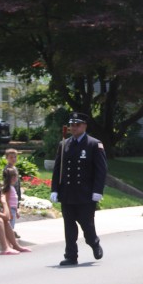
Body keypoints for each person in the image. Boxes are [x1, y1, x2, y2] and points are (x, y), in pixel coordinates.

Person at [51, 112, 107, 266]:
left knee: (86, 224)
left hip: (85, 193)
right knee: (69, 225)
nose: (74, 127)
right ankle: (71, 255)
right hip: (67, 192)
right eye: (72, 125)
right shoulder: (64, 144)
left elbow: (101, 170)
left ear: (84, 126)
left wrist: (98, 191)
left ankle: (93, 242)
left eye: (77, 124)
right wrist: (54, 189)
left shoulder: (94, 144)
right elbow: (58, 169)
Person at [3, 148, 21, 234]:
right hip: (10, 196)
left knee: (13, 217)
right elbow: (6, 185)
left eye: (15, 157)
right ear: (6, 158)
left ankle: (12, 231)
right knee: (11, 217)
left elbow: (18, 185)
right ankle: (10, 233)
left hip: (15, 195)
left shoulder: (15, 168)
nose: (13, 159)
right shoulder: (7, 170)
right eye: (11, 157)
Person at [3, 166, 20, 230]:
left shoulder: (12, 187)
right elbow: (6, 201)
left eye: (16, 176)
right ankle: (8, 238)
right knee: (10, 227)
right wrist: (9, 212)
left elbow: (14, 202)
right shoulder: (8, 188)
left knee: (11, 226)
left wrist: (16, 211)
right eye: (14, 176)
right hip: (10, 210)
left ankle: (9, 237)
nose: (16, 178)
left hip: (13, 209)